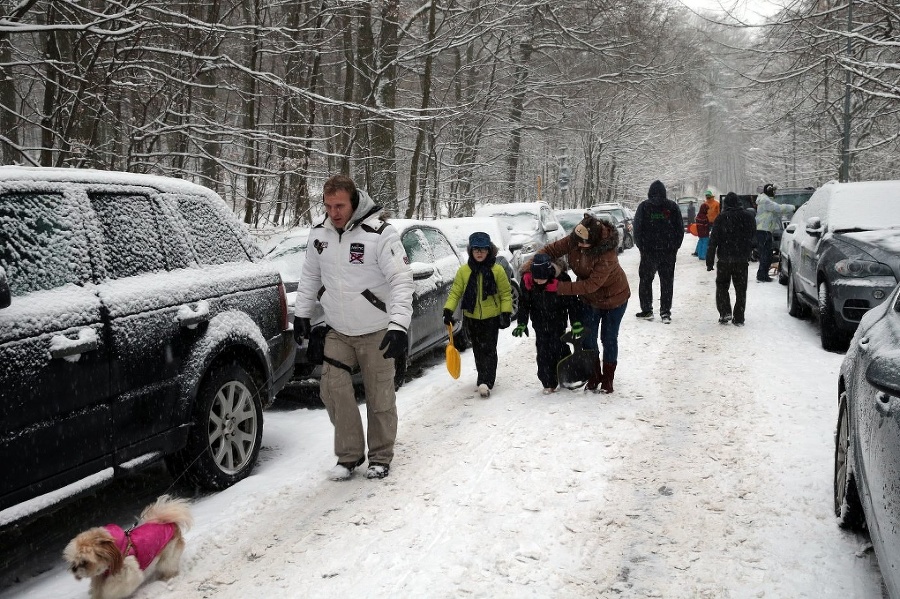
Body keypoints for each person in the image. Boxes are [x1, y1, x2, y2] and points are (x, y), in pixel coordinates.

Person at [293, 174, 414, 481]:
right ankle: (349, 456)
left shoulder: (380, 234)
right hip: (338, 329)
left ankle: (380, 456)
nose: (334, 212)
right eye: (329, 205)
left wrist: (398, 325)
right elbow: (310, 276)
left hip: (377, 329)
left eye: (340, 205)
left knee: (380, 395)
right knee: (332, 390)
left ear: (354, 202)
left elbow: (401, 281)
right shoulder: (319, 234)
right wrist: (303, 315)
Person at [533, 214, 630, 393]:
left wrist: (559, 286)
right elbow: (550, 250)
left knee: (608, 338)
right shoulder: (576, 239)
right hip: (589, 300)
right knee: (588, 337)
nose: (578, 245)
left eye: (584, 243)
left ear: (594, 241)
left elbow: (591, 284)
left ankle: (608, 378)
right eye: (577, 241)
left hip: (614, 298)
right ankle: (594, 375)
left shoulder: (607, 254)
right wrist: (531, 268)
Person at [443, 231, 513, 398]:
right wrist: (448, 310)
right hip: (472, 316)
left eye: (483, 249)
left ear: (489, 250)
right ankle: (483, 375)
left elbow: (505, 293)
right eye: (476, 250)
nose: (479, 253)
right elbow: (455, 293)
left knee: (489, 349)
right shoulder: (464, 271)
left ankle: (486, 381)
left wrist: (505, 312)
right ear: (470, 251)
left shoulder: (497, 270)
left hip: (491, 317)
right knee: (477, 349)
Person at [512, 253, 580, 394]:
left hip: (558, 321)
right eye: (536, 278)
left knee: (559, 348)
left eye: (542, 278)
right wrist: (522, 323)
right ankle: (548, 382)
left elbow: (572, 303)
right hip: (539, 323)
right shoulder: (527, 282)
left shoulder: (562, 279)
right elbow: (524, 304)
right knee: (543, 352)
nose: (539, 281)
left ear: (549, 273)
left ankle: (567, 376)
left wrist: (576, 322)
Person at [632, 180, 684, 324]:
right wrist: (674, 247)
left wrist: (642, 247)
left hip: (649, 252)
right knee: (667, 282)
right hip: (668, 252)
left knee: (646, 281)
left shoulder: (644, 207)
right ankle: (665, 312)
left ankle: (647, 309)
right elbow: (680, 228)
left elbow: (637, 229)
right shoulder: (672, 207)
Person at [706, 192, 757, 326]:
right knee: (741, 289)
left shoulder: (721, 218)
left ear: (726, 204)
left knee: (722, 286)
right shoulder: (748, 217)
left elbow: (713, 241)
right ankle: (739, 317)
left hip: (724, 259)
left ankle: (725, 312)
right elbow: (753, 237)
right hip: (741, 259)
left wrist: (709, 260)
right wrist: (752, 251)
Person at [754, 183, 795, 282]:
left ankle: (762, 274)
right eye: (773, 191)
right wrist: (793, 207)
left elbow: (777, 212)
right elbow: (778, 208)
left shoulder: (765, 200)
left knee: (767, 254)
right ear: (769, 190)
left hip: (765, 230)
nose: (775, 193)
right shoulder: (765, 201)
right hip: (763, 230)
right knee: (766, 254)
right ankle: (761, 276)